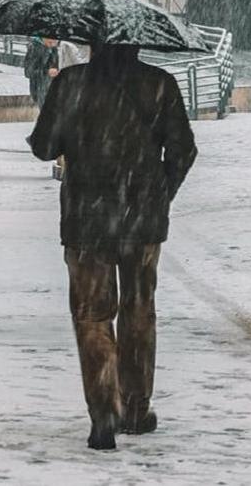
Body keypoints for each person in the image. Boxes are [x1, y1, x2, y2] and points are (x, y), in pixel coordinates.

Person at [28, 41, 197, 451]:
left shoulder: (71, 83)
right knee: (138, 311)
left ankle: (104, 411)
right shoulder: (158, 84)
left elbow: (44, 147)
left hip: (87, 219)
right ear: (138, 42)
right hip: (142, 222)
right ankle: (136, 409)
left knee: (92, 316)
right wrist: (160, 192)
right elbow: (183, 150)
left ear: (93, 44)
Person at [24, 34, 60, 108]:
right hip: (40, 90)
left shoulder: (53, 48)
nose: (54, 43)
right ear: (44, 37)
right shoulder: (34, 48)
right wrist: (47, 72)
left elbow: (56, 65)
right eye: (51, 41)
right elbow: (28, 72)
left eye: (56, 40)